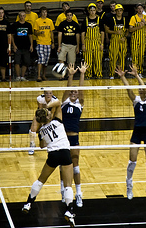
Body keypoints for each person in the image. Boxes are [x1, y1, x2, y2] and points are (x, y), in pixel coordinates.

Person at [21, 108, 76, 227]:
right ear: (47, 116)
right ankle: (69, 211)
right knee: (68, 185)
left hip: (53, 155)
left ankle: (28, 203)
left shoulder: (41, 131)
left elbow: (41, 146)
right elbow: (58, 104)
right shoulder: (57, 121)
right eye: (48, 112)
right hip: (65, 153)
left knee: (41, 180)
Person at [116, 64, 146, 204]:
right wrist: (122, 77)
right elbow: (128, 90)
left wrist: (137, 76)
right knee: (132, 161)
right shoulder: (136, 101)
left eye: (142, 89)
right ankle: (129, 186)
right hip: (137, 132)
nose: (140, 91)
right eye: (139, 89)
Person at [60, 63, 87, 207]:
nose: (73, 93)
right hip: (63, 138)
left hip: (74, 138)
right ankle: (63, 191)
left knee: (75, 167)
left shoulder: (79, 104)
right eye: (72, 92)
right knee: (63, 166)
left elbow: (81, 90)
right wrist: (71, 75)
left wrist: (82, 74)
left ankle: (79, 194)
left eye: (75, 92)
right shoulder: (64, 103)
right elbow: (66, 90)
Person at [81, 3, 104, 79]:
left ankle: (98, 74)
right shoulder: (85, 20)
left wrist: (102, 43)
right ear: (88, 11)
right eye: (91, 10)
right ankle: (88, 75)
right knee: (88, 60)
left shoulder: (99, 20)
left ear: (96, 11)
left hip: (97, 42)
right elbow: (83, 33)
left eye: (94, 10)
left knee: (98, 59)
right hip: (88, 42)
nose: (92, 12)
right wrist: (83, 44)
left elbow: (102, 32)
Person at [105, 4, 128, 79]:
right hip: (114, 40)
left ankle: (121, 73)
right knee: (113, 57)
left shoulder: (125, 19)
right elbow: (106, 30)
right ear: (115, 11)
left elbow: (128, 30)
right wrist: (115, 32)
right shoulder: (111, 19)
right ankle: (112, 74)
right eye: (117, 10)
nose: (119, 12)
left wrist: (124, 37)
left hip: (122, 40)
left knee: (122, 57)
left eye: (120, 10)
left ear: (122, 11)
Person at [129, 3, 146, 77]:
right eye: (138, 8)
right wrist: (138, 27)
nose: (140, 10)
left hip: (142, 39)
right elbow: (130, 29)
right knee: (134, 56)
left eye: (141, 8)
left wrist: (145, 23)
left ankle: (140, 72)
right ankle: (135, 72)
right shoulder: (133, 18)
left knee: (141, 55)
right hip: (135, 39)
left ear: (143, 9)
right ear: (136, 9)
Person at [34, 6, 55, 82]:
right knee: (41, 59)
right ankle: (38, 76)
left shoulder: (49, 21)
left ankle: (44, 75)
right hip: (40, 42)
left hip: (48, 43)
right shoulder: (37, 21)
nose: (44, 13)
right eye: (43, 12)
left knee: (46, 61)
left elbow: (51, 32)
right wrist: (40, 32)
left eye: (45, 12)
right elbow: (35, 32)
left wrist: (53, 42)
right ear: (40, 13)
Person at [11, 11, 33, 81]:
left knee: (26, 62)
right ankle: (18, 77)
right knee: (17, 62)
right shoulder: (15, 25)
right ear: (19, 16)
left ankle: (23, 76)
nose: (22, 17)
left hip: (26, 46)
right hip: (17, 46)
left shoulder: (28, 25)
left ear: (25, 16)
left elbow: (30, 36)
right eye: (21, 16)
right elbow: (11, 36)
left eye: (23, 15)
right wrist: (13, 45)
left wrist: (31, 45)